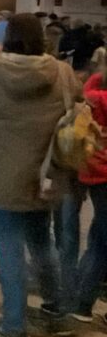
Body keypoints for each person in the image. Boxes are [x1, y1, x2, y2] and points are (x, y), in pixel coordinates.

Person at [0, 13, 83, 337]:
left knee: (9, 246)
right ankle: (56, 310)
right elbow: (78, 101)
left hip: (1, 174)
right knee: (42, 243)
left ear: (7, 37)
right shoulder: (61, 72)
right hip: (45, 173)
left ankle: (13, 323)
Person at [70, 63, 107, 323]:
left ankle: (80, 299)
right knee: (101, 241)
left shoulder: (92, 93)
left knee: (99, 238)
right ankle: (82, 303)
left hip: (94, 169)